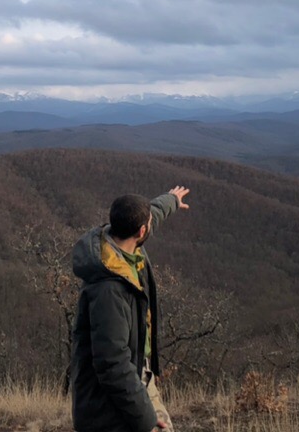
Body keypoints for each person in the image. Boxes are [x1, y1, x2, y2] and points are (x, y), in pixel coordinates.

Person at [70, 185, 190, 432]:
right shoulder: (109, 291)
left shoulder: (118, 245)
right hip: (111, 403)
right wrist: (145, 418)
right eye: (147, 224)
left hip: (137, 377)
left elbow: (151, 213)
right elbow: (113, 365)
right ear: (141, 231)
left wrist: (172, 200)